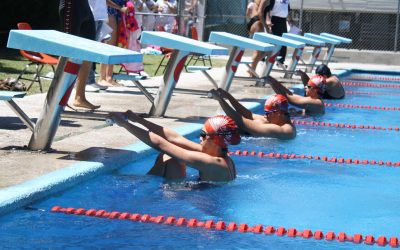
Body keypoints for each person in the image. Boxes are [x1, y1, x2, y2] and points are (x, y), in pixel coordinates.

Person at [110, 111, 241, 182]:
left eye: (203, 135)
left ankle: (139, 182)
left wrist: (124, 124)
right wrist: (138, 119)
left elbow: (162, 145)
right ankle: (142, 180)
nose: (200, 138)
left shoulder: (213, 163)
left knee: (171, 157)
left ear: (215, 140)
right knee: (170, 157)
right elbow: (175, 138)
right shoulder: (219, 155)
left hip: (191, 204)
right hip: (194, 193)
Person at [59, 0, 101, 110]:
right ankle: (57, 98)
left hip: (85, 6)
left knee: (88, 51)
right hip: (71, 5)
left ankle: (80, 98)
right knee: (67, 51)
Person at [211, 89, 296, 139]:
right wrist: (228, 96)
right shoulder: (278, 120)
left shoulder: (284, 130)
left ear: (277, 113)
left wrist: (220, 101)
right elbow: (249, 115)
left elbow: (241, 121)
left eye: (267, 113)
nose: (265, 115)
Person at [98, 0, 128, 87]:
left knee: (113, 47)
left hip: (116, 14)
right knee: (107, 46)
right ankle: (102, 78)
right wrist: (120, 8)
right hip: (109, 13)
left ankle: (109, 77)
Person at [246, 0, 272, 77]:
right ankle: (251, 70)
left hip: (253, 21)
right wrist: (266, 28)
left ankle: (252, 70)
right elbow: (260, 13)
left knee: (260, 51)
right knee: (259, 51)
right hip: (257, 22)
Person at [269, 0, 293, 68]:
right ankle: (266, 59)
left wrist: (290, 19)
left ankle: (281, 61)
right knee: (273, 40)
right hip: (274, 19)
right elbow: (269, 9)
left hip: (283, 20)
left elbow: (288, 10)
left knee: (284, 41)